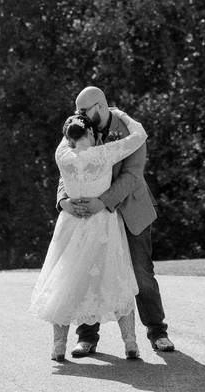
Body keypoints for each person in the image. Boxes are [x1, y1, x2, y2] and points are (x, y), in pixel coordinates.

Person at [57, 86, 174, 357]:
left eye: (83, 110)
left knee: (141, 273)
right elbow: (66, 166)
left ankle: (158, 332)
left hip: (130, 209)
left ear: (99, 106)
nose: (78, 115)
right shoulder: (77, 127)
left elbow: (133, 175)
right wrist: (63, 199)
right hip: (93, 217)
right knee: (89, 273)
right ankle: (86, 338)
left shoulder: (128, 128)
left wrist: (104, 201)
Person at [29, 111, 146, 361]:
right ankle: (130, 343)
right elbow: (139, 135)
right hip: (101, 225)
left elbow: (67, 139)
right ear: (91, 133)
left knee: (66, 282)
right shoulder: (104, 153)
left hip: (71, 226)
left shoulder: (63, 156)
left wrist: (74, 125)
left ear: (69, 138)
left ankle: (59, 346)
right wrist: (120, 114)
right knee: (117, 279)